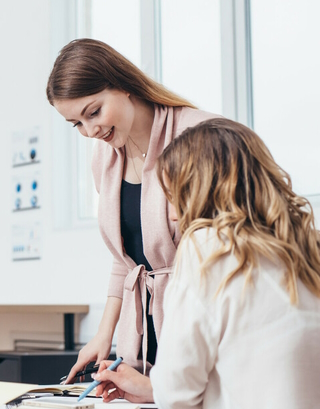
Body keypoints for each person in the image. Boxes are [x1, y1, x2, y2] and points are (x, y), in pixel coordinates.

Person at [93, 119, 320, 409]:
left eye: (172, 196)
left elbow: (178, 395)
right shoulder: (307, 244)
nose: (172, 216)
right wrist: (151, 386)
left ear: (197, 190)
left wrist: (155, 386)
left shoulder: (206, 246)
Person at [46, 38, 221, 382]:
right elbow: (126, 258)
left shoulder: (200, 136)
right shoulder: (105, 157)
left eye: (93, 112)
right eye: (76, 124)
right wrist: (103, 334)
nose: (90, 131)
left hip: (202, 322)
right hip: (147, 331)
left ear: (123, 85)